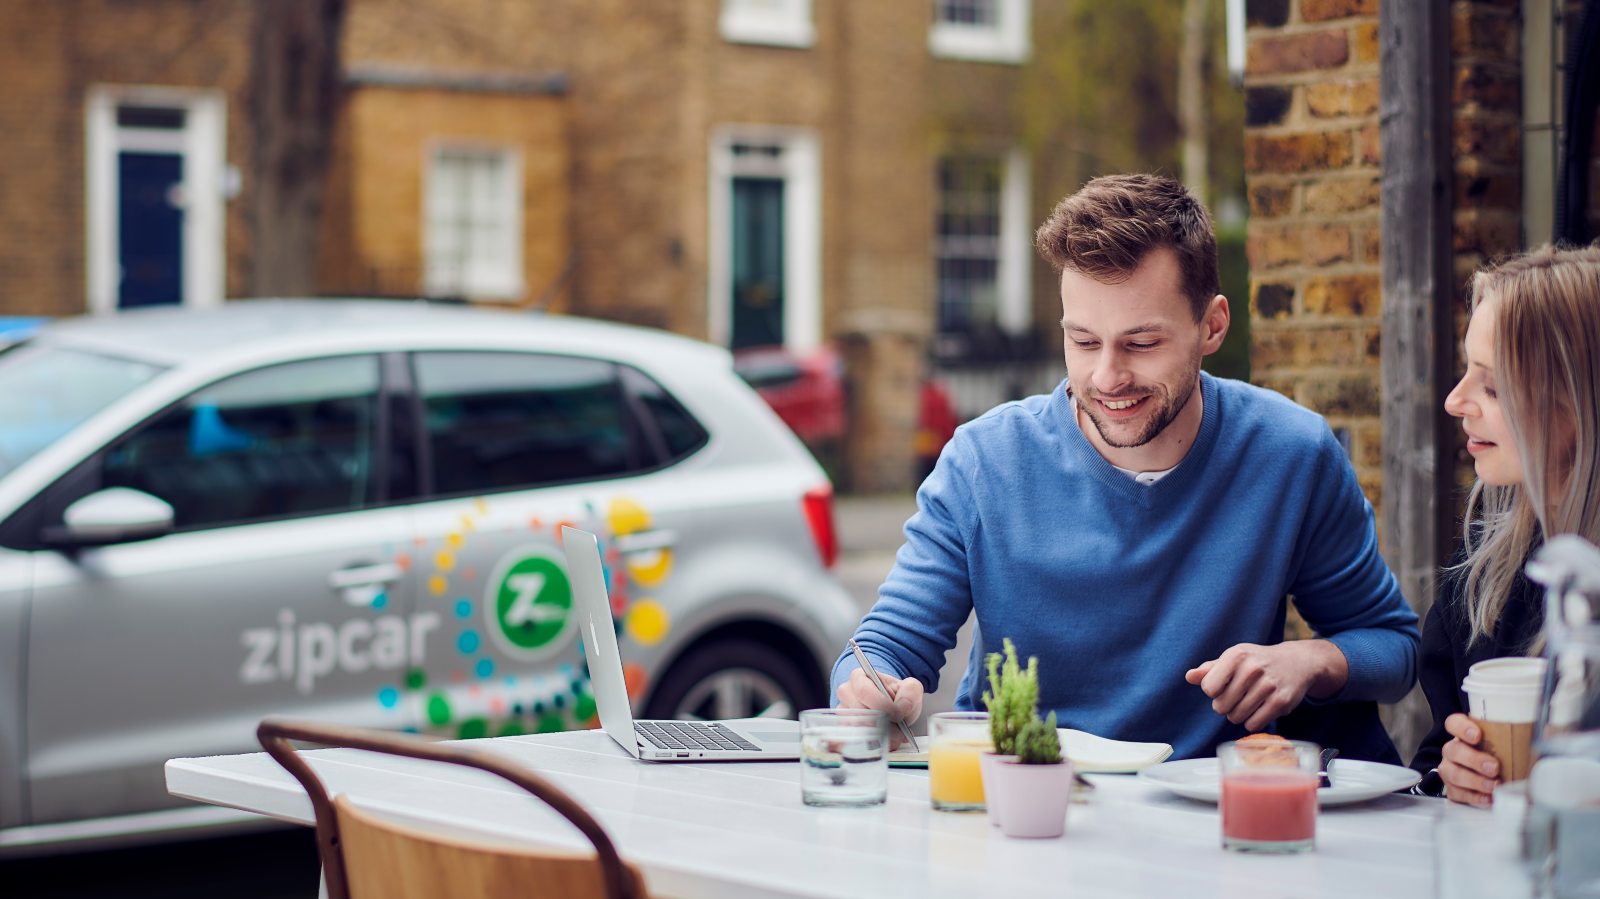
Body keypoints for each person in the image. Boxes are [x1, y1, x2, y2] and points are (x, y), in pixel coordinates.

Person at [832, 174, 1420, 760]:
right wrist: (870, 693)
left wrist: (1311, 660)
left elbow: (1394, 648)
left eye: (1141, 343)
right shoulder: (984, 461)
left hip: (1208, 815)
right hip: (1024, 801)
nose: (1107, 377)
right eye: (1084, 342)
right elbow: (882, 647)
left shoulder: (1291, 453)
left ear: (1211, 325)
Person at [1410, 244, 1600, 804]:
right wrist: (1454, 773)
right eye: (1467, 372)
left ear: (1581, 401)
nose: (1455, 401)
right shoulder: (1484, 565)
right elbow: (1433, 760)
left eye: (1492, 387)